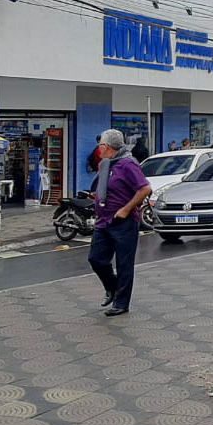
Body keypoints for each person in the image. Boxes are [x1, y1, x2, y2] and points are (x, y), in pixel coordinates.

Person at [87, 130, 152, 317]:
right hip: (103, 220)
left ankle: (121, 303)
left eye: (100, 145)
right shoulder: (105, 164)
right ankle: (112, 287)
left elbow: (145, 189)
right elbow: (106, 188)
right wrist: (96, 196)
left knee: (124, 264)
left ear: (107, 147)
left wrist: (126, 209)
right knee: (96, 259)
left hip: (124, 222)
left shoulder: (128, 164)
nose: (98, 149)